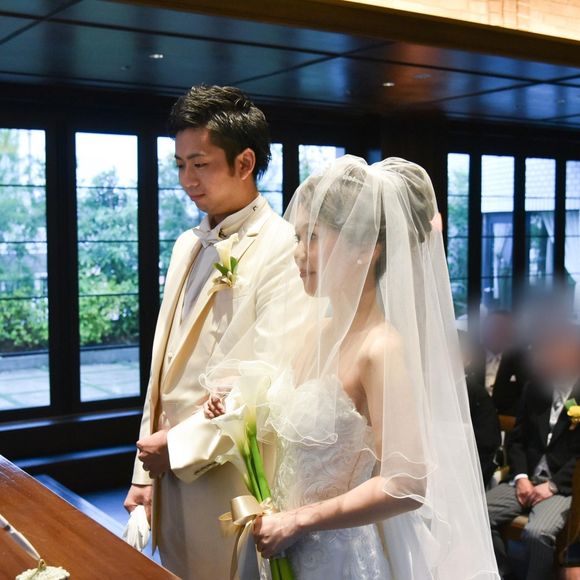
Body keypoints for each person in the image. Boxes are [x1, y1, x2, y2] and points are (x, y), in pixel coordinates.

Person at [206, 156, 499, 578]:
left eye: (313, 238)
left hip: (339, 558)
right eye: (298, 237)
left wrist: (300, 520)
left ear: (367, 249)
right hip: (284, 547)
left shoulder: (381, 349)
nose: (297, 254)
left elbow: (407, 484)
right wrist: (236, 409)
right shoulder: (314, 332)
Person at [123, 85, 306, 579]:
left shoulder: (283, 246)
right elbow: (162, 370)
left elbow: (272, 381)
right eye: (180, 164)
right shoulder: (188, 244)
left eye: (200, 164)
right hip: (167, 476)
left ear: (245, 162)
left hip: (230, 479)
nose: (187, 179)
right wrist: (144, 474)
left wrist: (178, 447)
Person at [486, 321, 580, 580]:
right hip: (526, 479)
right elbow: (517, 440)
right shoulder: (534, 388)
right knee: (477, 512)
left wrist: (552, 486)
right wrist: (521, 478)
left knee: (537, 533)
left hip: (563, 486)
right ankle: (501, 570)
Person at [459, 330, 502, 487]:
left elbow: (487, 446)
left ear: (467, 360)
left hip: (468, 471)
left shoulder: (477, 395)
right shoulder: (426, 390)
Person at [478, 310, 528, 416]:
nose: (497, 332)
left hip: (507, 418)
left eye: (502, 328)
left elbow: (525, 397)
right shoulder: (472, 355)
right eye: (493, 327)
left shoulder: (521, 360)